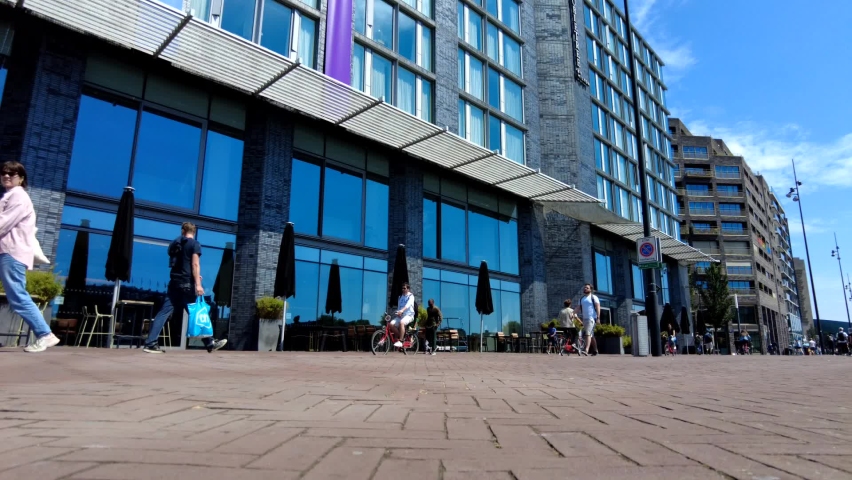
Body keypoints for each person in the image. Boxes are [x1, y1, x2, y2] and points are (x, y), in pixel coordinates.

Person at [0, 161, 60, 352]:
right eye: (4, 173)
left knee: (17, 295)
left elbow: (3, 223)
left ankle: (45, 334)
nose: (7, 176)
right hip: (8, 252)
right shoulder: (11, 195)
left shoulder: (18, 196)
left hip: (11, 252)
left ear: (21, 178)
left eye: (12, 174)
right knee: (16, 295)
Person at [143, 222, 227, 354]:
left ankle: (150, 343)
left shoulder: (175, 244)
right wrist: (198, 284)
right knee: (198, 312)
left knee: (164, 312)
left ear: (183, 231)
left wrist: (195, 277)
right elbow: (194, 264)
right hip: (187, 284)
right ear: (194, 232)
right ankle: (210, 342)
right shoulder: (194, 244)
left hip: (174, 283)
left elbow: (179, 265)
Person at [390, 282, 414, 348]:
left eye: (404, 288)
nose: (403, 289)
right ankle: (400, 336)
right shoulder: (400, 297)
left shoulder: (410, 296)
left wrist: (402, 311)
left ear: (408, 289)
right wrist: (398, 313)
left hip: (409, 315)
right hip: (401, 316)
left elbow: (408, 305)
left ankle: (400, 341)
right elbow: (399, 307)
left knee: (402, 322)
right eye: (402, 288)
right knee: (391, 324)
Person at [579, 284, 599, 355]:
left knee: (588, 334)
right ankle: (595, 350)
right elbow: (578, 307)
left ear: (591, 289)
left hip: (592, 318)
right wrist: (572, 313)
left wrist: (598, 317)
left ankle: (586, 350)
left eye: (587, 288)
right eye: (584, 288)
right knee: (591, 335)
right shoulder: (582, 299)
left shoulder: (594, 297)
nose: (585, 289)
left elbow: (598, 307)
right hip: (585, 318)